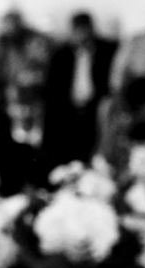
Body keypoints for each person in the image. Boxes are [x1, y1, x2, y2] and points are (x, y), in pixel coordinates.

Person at [45, 10, 117, 170]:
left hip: (97, 109)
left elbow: (112, 83)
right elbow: (53, 88)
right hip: (68, 110)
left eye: (85, 29)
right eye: (78, 30)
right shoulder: (61, 55)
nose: (82, 35)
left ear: (92, 29)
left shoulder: (107, 50)